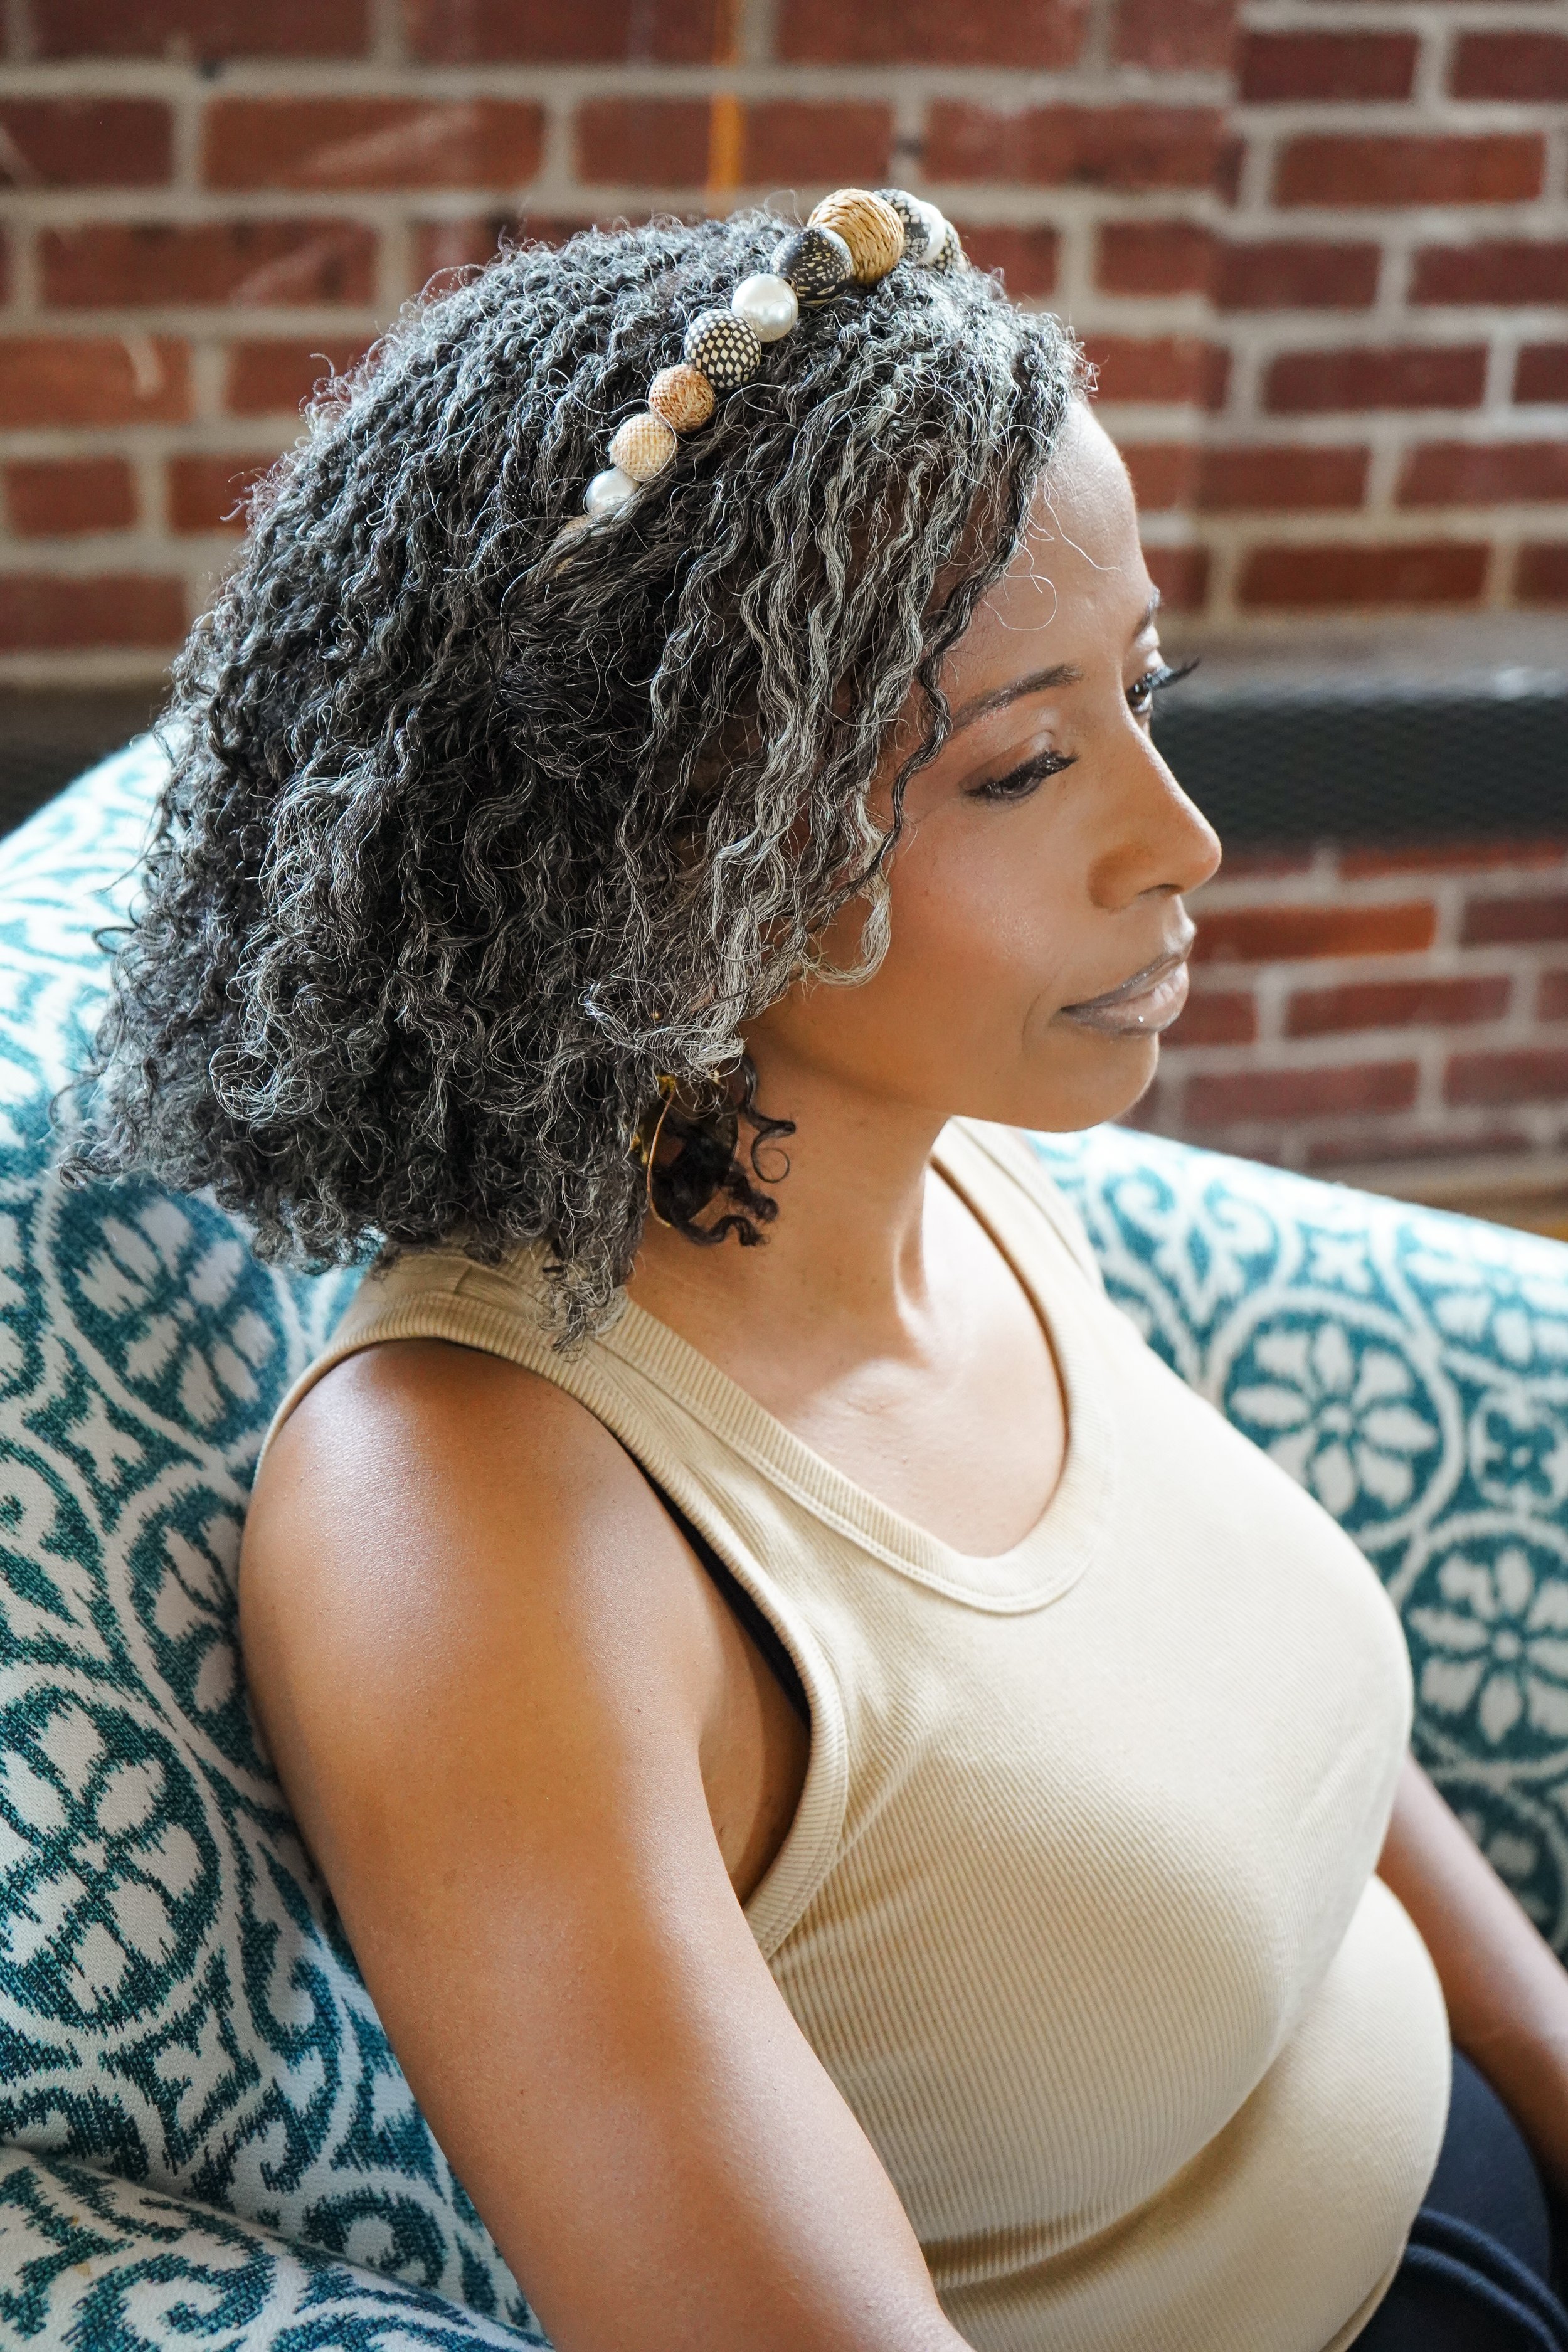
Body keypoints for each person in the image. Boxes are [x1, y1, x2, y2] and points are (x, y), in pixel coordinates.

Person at [68, 195, 1568, 2352]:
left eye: (1146, 692)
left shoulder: (938, 1168)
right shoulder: (478, 1525)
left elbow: (1257, 1712)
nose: (1184, 842)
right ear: (673, 842)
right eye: (1025, 764)